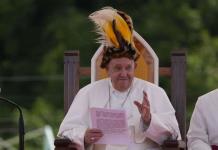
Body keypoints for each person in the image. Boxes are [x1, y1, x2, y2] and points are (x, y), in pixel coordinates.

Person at [58, 7, 181, 150]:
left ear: (134, 66)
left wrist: (149, 120)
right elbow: (65, 133)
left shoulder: (155, 93)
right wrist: (83, 135)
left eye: (128, 68)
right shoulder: (87, 93)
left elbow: (173, 136)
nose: (124, 73)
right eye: (117, 68)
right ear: (107, 69)